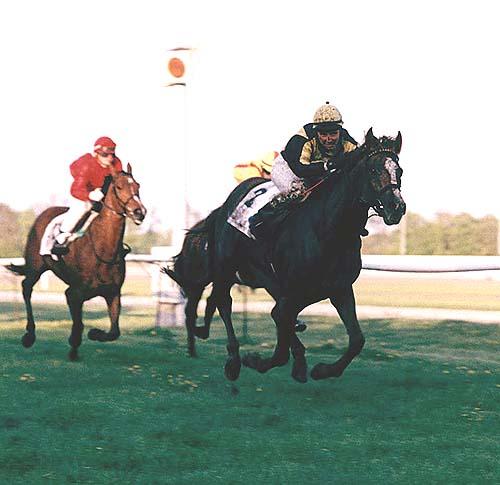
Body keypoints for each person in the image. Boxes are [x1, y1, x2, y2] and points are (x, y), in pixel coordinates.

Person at [249, 101, 366, 238]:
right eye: (323, 134)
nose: (328, 139)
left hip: (317, 171)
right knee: (298, 192)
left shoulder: (348, 142)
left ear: (340, 131)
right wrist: (328, 165)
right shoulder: (303, 139)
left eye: (333, 133)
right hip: (288, 169)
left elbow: (358, 162)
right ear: (316, 132)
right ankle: (260, 220)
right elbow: (301, 170)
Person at [51, 136, 123, 255]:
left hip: (104, 195)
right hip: (84, 195)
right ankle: (61, 236)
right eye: (105, 155)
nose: (110, 158)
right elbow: (75, 190)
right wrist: (90, 195)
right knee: (82, 207)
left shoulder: (117, 163)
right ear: (96, 154)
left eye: (112, 155)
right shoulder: (86, 165)